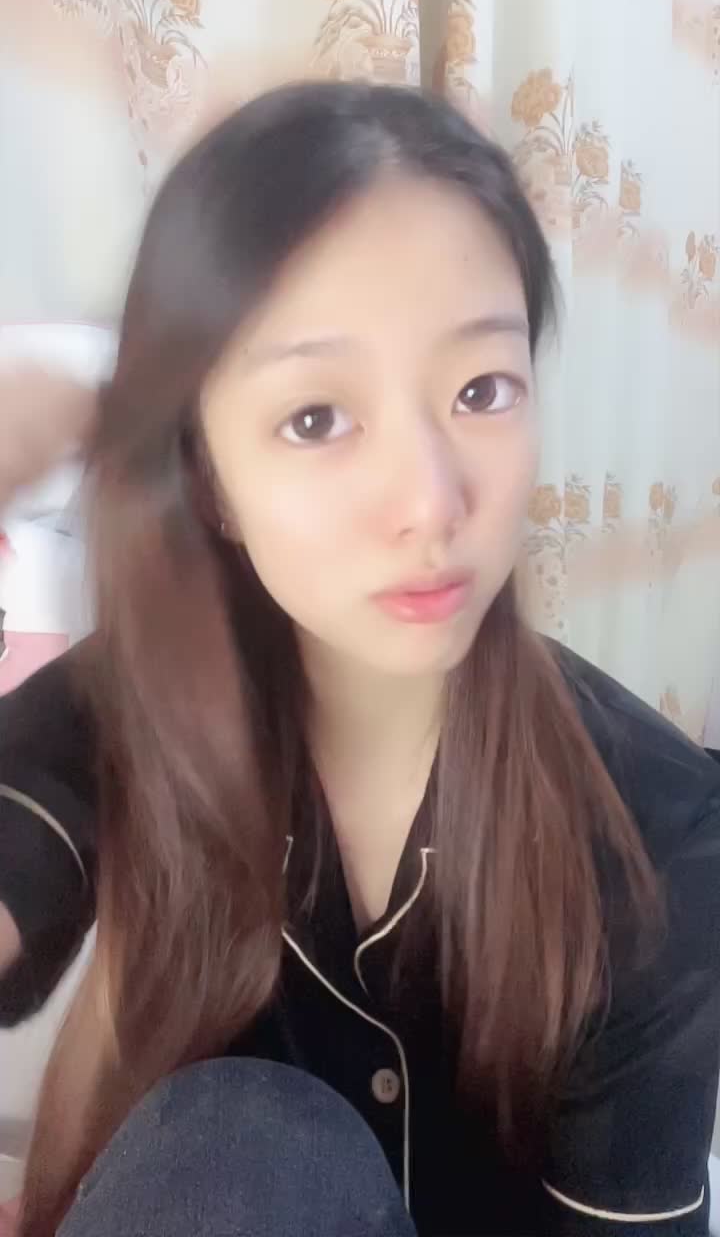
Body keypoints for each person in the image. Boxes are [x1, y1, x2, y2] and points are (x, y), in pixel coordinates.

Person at [0, 81, 718, 1237]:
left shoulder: (657, 834)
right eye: (317, 418)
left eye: (481, 390)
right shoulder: (128, 705)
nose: (432, 501)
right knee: (243, 1141)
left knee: (250, 1141)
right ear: (209, 479)